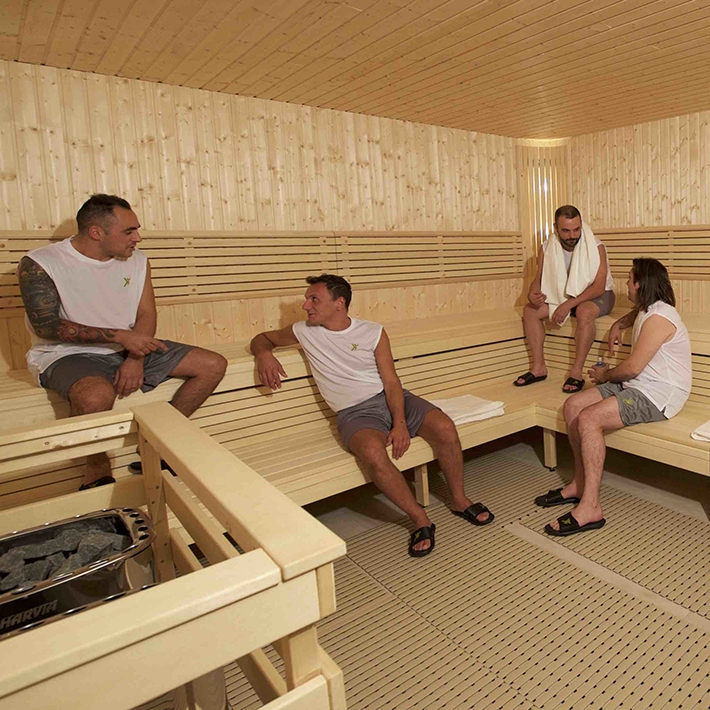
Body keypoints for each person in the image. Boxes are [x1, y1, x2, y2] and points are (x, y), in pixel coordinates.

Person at [250, 273, 495, 558]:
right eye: (307, 299)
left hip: (391, 398)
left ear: (339, 303)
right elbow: (262, 338)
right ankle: (420, 519)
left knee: (445, 427)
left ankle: (459, 499)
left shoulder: (372, 332)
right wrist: (264, 355)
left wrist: (399, 423)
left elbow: (391, 382)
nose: (305, 305)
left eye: (313, 299)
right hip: (354, 413)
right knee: (373, 454)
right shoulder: (304, 330)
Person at [18, 194, 228, 490]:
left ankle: (156, 445)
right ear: (96, 232)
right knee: (94, 397)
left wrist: (135, 358)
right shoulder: (42, 263)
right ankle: (97, 468)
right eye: (129, 231)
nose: (137, 238)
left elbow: (146, 314)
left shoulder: (138, 261)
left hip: (129, 347)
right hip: (66, 353)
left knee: (212, 365)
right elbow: (47, 326)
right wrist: (121, 337)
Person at [535, 258, 691, 536]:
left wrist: (605, 375)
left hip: (659, 394)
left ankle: (591, 507)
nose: (626, 284)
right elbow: (635, 314)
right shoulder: (648, 308)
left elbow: (631, 368)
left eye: (629, 279)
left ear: (640, 284)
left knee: (589, 419)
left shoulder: (660, 317)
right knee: (572, 406)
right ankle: (579, 484)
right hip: (638, 385)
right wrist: (619, 324)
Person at [515, 205, 615, 393]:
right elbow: (539, 279)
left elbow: (599, 287)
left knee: (584, 311)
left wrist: (568, 305)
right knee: (529, 310)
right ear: (556, 228)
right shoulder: (547, 247)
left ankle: (576, 372)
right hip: (563, 295)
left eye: (576, 229)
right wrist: (532, 294)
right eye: (566, 231)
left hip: (599, 296)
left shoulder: (596, 246)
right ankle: (538, 368)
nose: (572, 236)